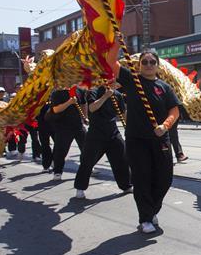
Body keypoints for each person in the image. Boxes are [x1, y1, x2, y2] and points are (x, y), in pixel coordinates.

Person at [115, 50, 181, 235]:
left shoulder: (164, 87)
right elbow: (112, 62)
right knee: (142, 179)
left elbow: (174, 111)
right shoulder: (132, 80)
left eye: (153, 62)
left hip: (160, 138)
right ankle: (145, 218)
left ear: (158, 65)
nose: (149, 65)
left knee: (165, 178)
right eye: (145, 62)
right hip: (137, 140)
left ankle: (151, 209)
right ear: (139, 65)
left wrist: (165, 126)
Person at [73, 83, 131, 199]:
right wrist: (105, 96)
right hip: (96, 134)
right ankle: (80, 187)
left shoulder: (118, 95)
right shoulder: (93, 91)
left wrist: (130, 128)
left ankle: (126, 185)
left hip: (113, 132)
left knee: (122, 159)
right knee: (87, 161)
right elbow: (92, 108)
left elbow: (123, 113)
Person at [49, 86, 86, 180]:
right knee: (60, 150)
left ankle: (88, 167)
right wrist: (69, 102)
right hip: (63, 126)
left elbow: (83, 104)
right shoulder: (57, 93)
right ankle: (57, 172)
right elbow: (56, 109)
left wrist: (85, 117)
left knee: (86, 147)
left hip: (78, 125)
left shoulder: (79, 90)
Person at [36, 101, 54, 172]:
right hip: (42, 126)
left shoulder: (53, 96)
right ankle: (46, 165)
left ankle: (54, 159)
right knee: (45, 146)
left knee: (59, 145)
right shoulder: (37, 100)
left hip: (54, 125)